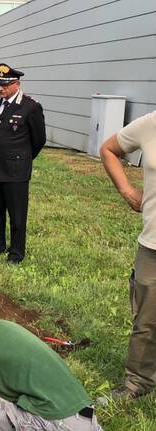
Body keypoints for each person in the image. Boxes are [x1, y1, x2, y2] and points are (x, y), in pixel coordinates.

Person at [100, 110, 156, 402]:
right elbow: (108, 149)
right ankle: (138, 384)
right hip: (153, 244)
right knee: (146, 321)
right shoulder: (151, 123)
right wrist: (127, 190)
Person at [0, 63, 46, 263]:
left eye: (5, 85)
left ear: (17, 84)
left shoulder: (31, 107)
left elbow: (38, 139)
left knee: (17, 213)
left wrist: (23, 158)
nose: (1, 88)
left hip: (16, 170)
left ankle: (16, 252)